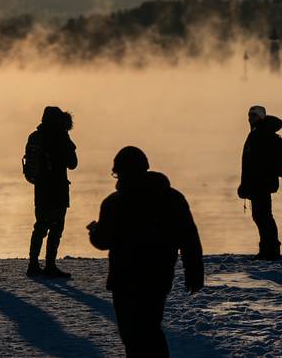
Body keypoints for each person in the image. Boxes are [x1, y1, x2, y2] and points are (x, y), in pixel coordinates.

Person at [88, 147, 204, 358]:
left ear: (121, 172)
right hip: (158, 276)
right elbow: (189, 238)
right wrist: (194, 273)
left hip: (124, 279)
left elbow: (102, 241)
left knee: (132, 335)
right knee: (151, 328)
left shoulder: (114, 202)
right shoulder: (172, 198)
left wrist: (94, 230)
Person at [25, 106, 78, 278]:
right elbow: (72, 163)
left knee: (40, 226)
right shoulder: (60, 137)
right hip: (58, 188)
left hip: (40, 189)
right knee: (56, 228)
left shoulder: (35, 137)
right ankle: (50, 265)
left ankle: (33, 264)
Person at [238, 105, 282, 260]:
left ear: (261, 117)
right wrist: (245, 184)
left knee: (263, 217)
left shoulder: (262, 134)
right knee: (261, 216)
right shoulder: (256, 133)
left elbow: (258, 162)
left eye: (254, 115)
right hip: (257, 183)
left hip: (261, 184)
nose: (250, 118)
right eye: (249, 115)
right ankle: (268, 250)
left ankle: (270, 251)